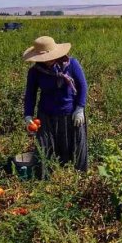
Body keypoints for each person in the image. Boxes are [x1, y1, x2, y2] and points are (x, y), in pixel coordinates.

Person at [22, 36, 88, 171]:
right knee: (46, 148)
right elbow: (30, 94)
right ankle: (48, 176)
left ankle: (78, 176)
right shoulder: (35, 72)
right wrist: (28, 115)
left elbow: (83, 86)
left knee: (75, 147)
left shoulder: (72, 65)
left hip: (70, 113)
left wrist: (80, 108)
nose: (47, 61)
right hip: (46, 115)